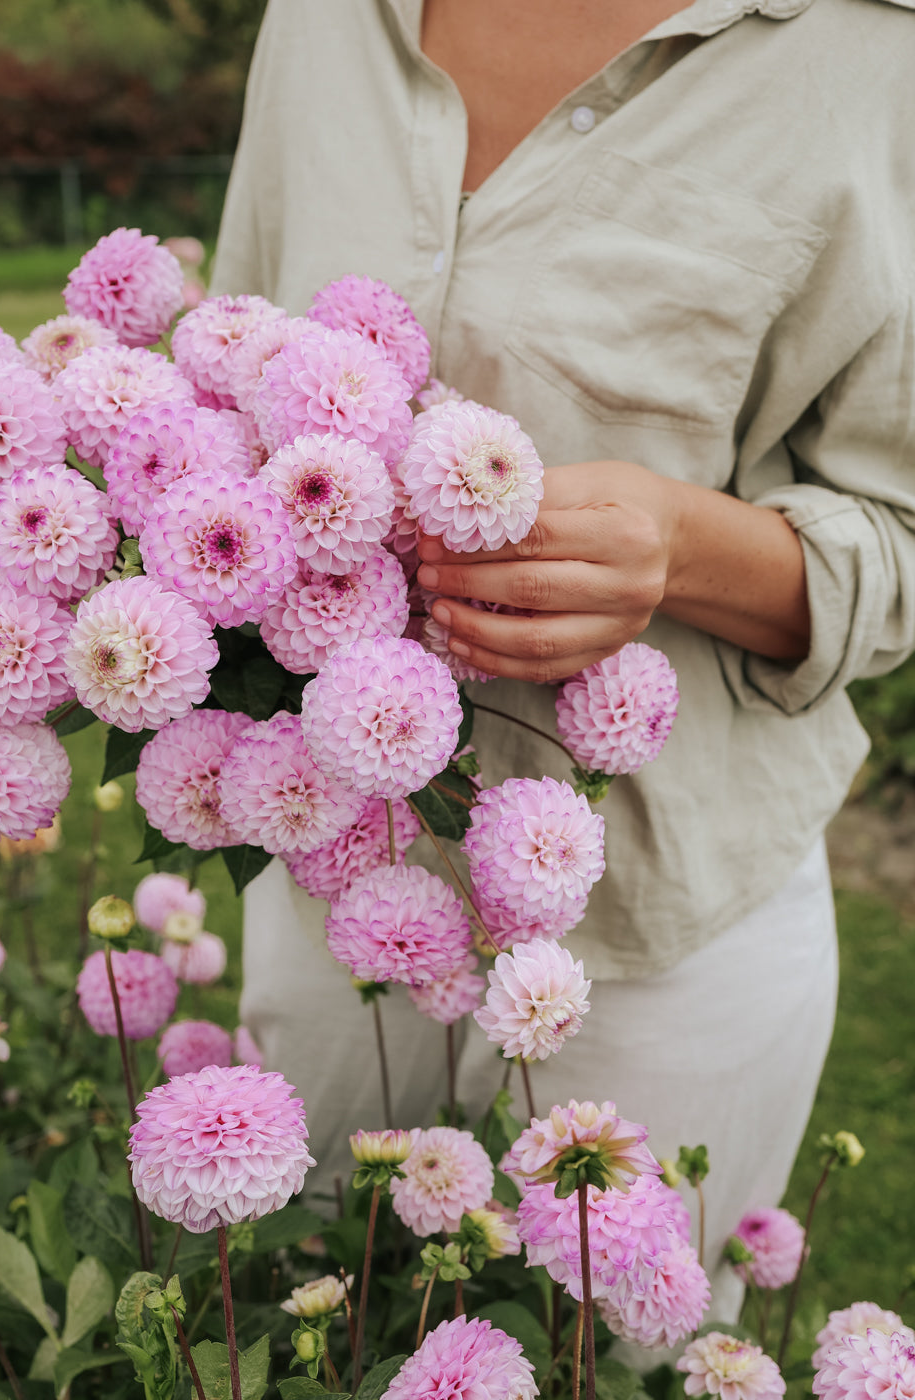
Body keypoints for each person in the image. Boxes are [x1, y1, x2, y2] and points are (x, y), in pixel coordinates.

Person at [211, 0, 915, 1318]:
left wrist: (685, 546)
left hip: (655, 912)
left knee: (606, 1346)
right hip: (327, 865)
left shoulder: (874, 57)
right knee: (285, 1311)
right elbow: (232, 358)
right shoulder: (322, 19)